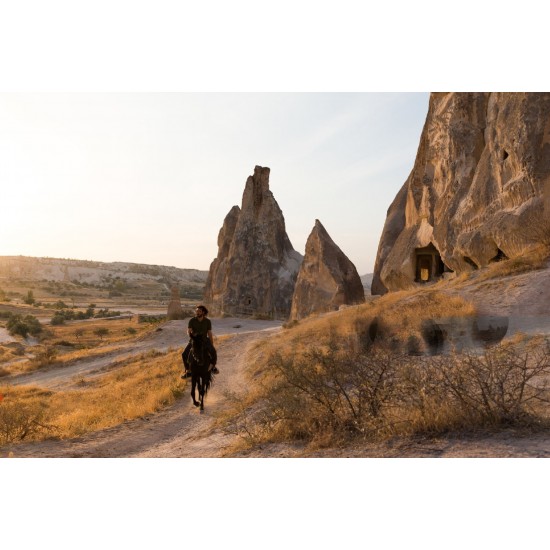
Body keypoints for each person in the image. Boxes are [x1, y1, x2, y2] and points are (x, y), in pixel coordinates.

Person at [181, 305, 218, 379]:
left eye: (199, 311)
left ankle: (213, 367)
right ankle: (188, 371)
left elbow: (209, 333)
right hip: (194, 340)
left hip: (204, 340)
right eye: (196, 311)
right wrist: (190, 334)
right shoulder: (192, 320)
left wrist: (211, 343)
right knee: (184, 354)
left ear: (203, 312)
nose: (197, 313)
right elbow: (188, 330)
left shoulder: (207, 321)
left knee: (213, 352)